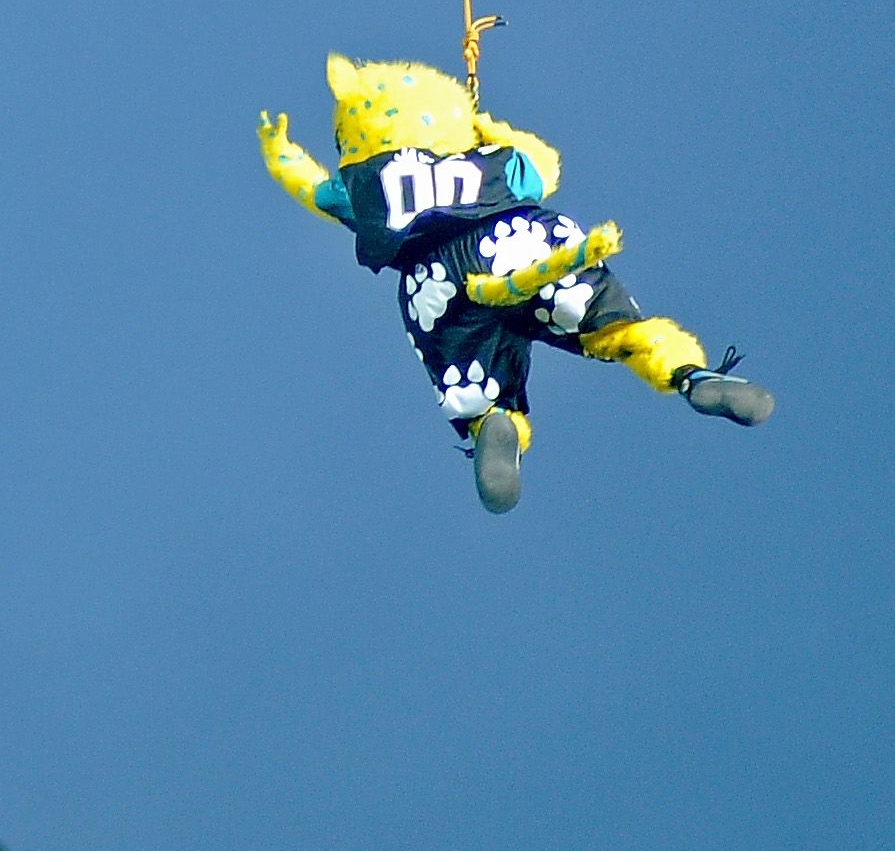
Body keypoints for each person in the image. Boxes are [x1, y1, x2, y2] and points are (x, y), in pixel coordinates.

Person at [258, 53, 771, 513]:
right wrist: (487, 126)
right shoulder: (496, 163)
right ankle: (689, 375)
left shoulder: (365, 183)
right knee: (615, 328)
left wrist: (278, 151)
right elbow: (545, 166)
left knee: (472, 374)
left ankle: (492, 422)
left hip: (435, 281)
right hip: (521, 241)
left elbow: (312, 189)